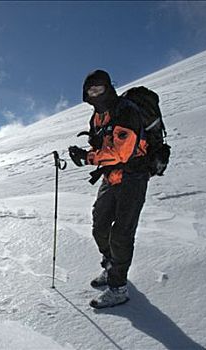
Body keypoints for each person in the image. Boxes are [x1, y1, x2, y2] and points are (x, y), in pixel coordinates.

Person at [68, 70, 150, 309]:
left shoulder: (125, 111)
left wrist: (88, 157)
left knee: (122, 234)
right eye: (90, 91)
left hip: (133, 176)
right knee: (100, 225)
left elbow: (122, 152)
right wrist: (86, 154)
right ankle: (111, 266)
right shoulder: (97, 117)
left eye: (99, 88)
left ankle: (118, 288)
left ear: (108, 87)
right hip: (111, 177)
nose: (95, 94)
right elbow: (99, 146)